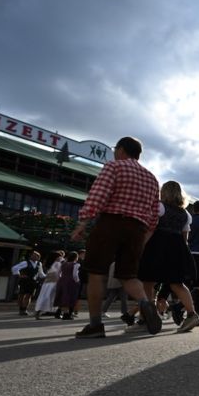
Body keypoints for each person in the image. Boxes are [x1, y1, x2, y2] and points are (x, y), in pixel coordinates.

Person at [71, 136, 161, 338]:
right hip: (137, 229)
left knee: (96, 272)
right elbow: (154, 215)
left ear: (121, 150)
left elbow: (98, 196)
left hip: (111, 223)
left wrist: (83, 222)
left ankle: (95, 325)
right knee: (128, 275)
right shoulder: (152, 178)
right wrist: (144, 237)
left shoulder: (114, 167)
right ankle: (146, 303)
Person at [136, 180, 199, 333]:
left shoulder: (159, 207)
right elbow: (185, 237)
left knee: (148, 282)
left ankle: (145, 318)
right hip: (177, 248)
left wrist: (140, 246)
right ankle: (192, 314)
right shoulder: (185, 214)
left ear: (163, 192)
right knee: (177, 283)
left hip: (157, 247)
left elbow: (151, 229)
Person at [12, 251, 44, 316]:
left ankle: (25, 309)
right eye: (34, 255)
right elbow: (15, 268)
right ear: (31, 256)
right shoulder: (25, 262)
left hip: (33, 281)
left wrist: (47, 276)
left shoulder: (39, 264)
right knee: (21, 295)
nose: (35, 257)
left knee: (29, 295)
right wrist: (19, 275)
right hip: (25, 280)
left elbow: (41, 274)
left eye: (37, 256)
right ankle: (21, 309)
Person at [34, 251, 64, 319]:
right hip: (54, 282)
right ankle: (57, 312)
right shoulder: (58, 264)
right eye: (59, 257)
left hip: (47, 282)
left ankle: (38, 312)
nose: (61, 258)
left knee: (44, 297)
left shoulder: (49, 263)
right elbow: (58, 274)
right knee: (55, 297)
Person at [54, 251, 81, 320]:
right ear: (76, 258)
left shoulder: (63, 264)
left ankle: (58, 312)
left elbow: (58, 273)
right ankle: (66, 314)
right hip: (70, 282)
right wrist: (77, 281)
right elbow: (75, 275)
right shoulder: (76, 265)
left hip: (62, 281)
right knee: (69, 297)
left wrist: (60, 279)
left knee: (62, 296)